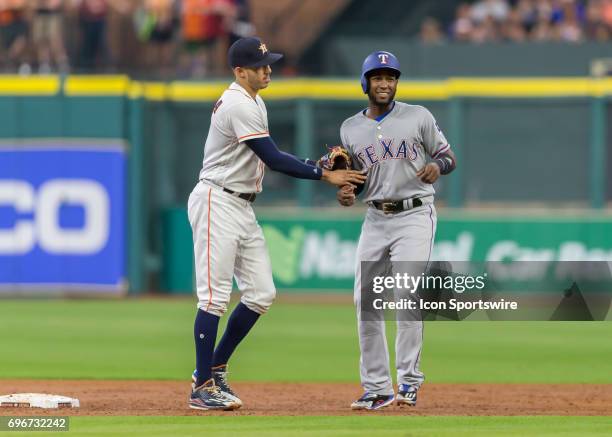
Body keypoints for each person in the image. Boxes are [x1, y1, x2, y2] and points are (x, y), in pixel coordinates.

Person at [187, 37, 367, 411]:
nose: (268, 69)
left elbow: (271, 155)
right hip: (216, 199)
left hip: (240, 205)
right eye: (260, 65)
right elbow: (272, 157)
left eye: (269, 63)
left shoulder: (254, 101)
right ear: (240, 72)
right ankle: (202, 387)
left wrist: (313, 162)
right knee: (214, 297)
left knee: (261, 293)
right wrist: (322, 174)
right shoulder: (237, 103)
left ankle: (214, 367)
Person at [336, 51, 457, 411]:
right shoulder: (349, 128)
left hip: (414, 214)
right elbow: (358, 181)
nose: (385, 83)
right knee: (366, 303)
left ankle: (408, 382)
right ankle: (376, 387)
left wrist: (437, 165)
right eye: (378, 77)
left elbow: (449, 157)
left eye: (390, 77)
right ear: (366, 83)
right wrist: (347, 191)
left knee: (407, 297)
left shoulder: (418, 116)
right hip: (375, 218)